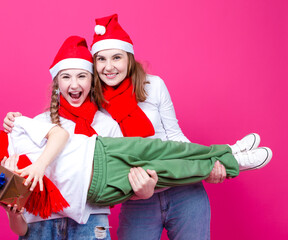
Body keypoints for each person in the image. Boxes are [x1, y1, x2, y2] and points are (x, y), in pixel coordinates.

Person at [0, 116, 272, 237]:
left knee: (164, 149)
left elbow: (58, 135)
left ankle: (226, 150)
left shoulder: (17, 127)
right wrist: (12, 212)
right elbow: (23, 226)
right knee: (166, 173)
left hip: (99, 148)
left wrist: (37, 166)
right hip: (96, 186)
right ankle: (232, 163)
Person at [90, 13, 230, 239]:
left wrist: (206, 166)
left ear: (128, 58)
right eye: (101, 59)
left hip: (184, 189)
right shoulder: (94, 103)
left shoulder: (153, 86)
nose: (109, 67)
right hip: (138, 198)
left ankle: (237, 157)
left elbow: (175, 136)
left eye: (116, 57)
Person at [2, 35, 156, 239]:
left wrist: (144, 190)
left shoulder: (107, 125)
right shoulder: (38, 122)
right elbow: (14, 175)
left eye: (81, 76)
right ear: (57, 83)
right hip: (41, 222)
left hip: (91, 220)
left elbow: (122, 176)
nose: (74, 85)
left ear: (92, 81)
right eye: (66, 77)